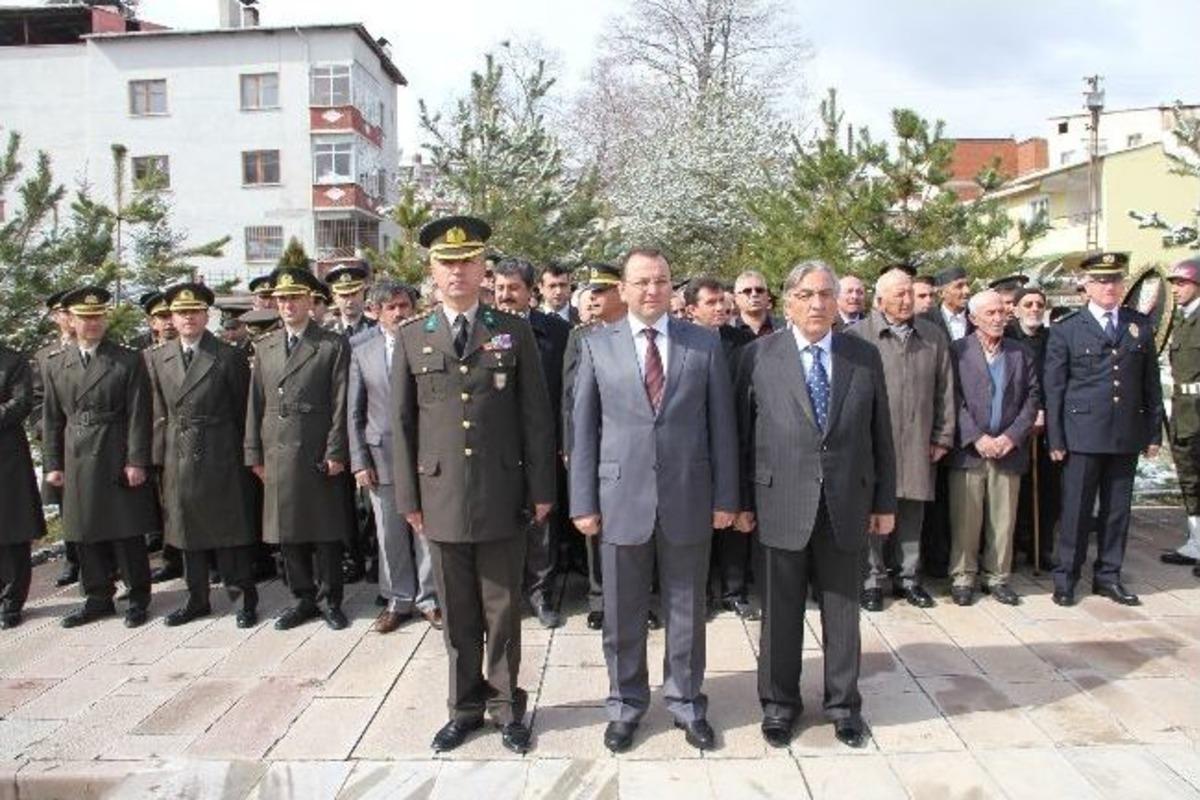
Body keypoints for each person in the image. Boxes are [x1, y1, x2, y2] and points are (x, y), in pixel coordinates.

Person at [392, 215, 555, 755]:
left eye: (467, 261)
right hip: (440, 497)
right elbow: (402, 425)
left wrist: (541, 489)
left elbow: (536, 416)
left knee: (503, 610)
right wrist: (408, 498)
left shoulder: (512, 330)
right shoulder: (413, 336)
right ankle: (463, 709)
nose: (457, 271)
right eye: (447, 262)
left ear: (484, 267)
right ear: (432, 270)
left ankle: (507, 708)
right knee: (457, 614)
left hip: (502, 492)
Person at [570, 248, 738, 754]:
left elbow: (722, 427)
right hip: (620, 497)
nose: (651, 290)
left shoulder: (703, 343)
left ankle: (686, 703)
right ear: (621, 289)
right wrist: (583, 501)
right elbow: (584, 429)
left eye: (661, 280)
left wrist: (726, 496)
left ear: (673, 288)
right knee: (622, 613)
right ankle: (625, 705)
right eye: (641, 281)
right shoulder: (596, 345)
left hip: (689, 496)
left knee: (687, 610)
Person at [734, 260, 896, 750]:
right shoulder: (758, 356)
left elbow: (881, 435)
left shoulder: (862, 356)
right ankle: (779, 705)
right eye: (806, 295)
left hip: (846, 501)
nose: (817, 304)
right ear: (788, 301)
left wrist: (884, 500)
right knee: (780, 612)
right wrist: (740, 501)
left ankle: (844, 705)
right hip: (779, 501)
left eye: (826, 294)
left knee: (843, 611)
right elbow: (741, 437)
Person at [1044, 252, 1163, 606]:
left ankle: (1108, 576)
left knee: (1117, 511)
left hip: (1125, 432)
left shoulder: (1138, 325)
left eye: (1114, 280)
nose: (1109, 287)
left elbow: (1150, 384)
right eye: (1101, 281)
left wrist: (1153, 432)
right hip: (1082, 434)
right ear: (1087, 286)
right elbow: (1055, 388)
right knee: (1076, 511)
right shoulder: (1067, 328)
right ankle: (1066, 577)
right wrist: (1056, 437)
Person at [42, 286, 159, 628]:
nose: (92, 323)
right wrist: (53, 463)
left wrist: (136, 460)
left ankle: (137, 596)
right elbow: (52, 418)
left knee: (126, 529)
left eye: (98, 317)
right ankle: (97, 596)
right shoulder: (56, 364)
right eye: (85, 317)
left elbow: (139, 414)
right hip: (76, 453)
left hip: (114, 449)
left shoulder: (126, 359)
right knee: (84, 529)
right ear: (71, 320)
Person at [245, 266, 354, 630]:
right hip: (277, 450)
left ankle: (330, 600)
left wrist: (336, 451)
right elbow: (255, 404)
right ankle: (301, 598)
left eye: (294, 298)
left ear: (311, 301)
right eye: (281, 299)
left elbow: (341, 402)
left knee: (325, 531)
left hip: (316, 449)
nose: (288, 305)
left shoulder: (331, 345)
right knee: (287, 531)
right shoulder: (265, 347)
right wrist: (254, 454)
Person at [147, 283, 260, 628]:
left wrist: (247, 456)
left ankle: (242, 598)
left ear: (206, 315)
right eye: (181, 313)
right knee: (186, 530)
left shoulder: (227, 356)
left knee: (228, 529)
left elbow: (244, 412)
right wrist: (157, 460)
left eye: (195, 312)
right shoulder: (158, 357)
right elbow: (157, 412)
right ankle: (197, 598)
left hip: (219, 450)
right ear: (172, 318)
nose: (188, 318)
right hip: (178, 453)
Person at [848, 268, 954, 612]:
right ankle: (872, 580)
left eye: (910, 293)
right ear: (879, 301)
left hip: (918, 439)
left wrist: (942, 436)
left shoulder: (933, 336)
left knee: (912, 510)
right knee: (872, 512)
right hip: (872, 443)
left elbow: (946, 390)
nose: (907, 300)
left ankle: (908, 577)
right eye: (899, 294)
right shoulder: (857, 336)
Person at [348, 279, 440, 633]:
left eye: (405, 306)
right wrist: (359, 460)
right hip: (381, 455)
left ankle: (429, 599)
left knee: (425, 529)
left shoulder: (428, 340)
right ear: (376, 311)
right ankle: (398, 599)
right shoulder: (361, 348)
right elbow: (354, 410)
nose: (400, 313)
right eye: (392, 307)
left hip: (424, 452)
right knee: (389, 533)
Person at [946, 290, 1039, 606]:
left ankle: (997, 577)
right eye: (991, 313)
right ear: (973, 319)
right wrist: (976, 437)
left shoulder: (1020, 352)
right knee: (966, 519)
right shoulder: (958, 351)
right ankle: (963, 576)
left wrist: (1011, 437)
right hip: (970, 450)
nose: (999, 318)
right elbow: (951, 398)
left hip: (1007, 450)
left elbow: (1032, 398)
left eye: (1002, 312)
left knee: (1003, 519)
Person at [493, 257, 571, 629]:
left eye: (513, 288)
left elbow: (569, 391)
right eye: (500, 288)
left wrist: (565, 440)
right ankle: (505, 594)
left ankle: (541, 592)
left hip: (543, 440)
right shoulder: (483, 328)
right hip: (497, 444)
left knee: (542, 519)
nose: (505, 295)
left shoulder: (556, 331)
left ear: (531, 291)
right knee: (501, 519)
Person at [684, 275, 758, 619]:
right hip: (693, 444)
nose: (720, 309)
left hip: (736, 439)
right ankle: (700, 593)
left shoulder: (743, 343)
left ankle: (734, 591)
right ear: (691, 309)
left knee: (735, 515)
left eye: (722, 302)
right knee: (696, 523)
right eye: (710, 303)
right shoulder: (679, 342)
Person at [562, 263, 628, 630]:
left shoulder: (639, 335)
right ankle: (600, 598)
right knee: (596, 526)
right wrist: (570, 445)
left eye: (602, 290)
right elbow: (568, 398)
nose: (594, 297)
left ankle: (637, 599)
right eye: (592, 291)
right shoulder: (581, 337)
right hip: (594, 445)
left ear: (622, 292)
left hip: (631, 447)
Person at [1006, 285, 1058, 570]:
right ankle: (1012, 547)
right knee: (1015, 490)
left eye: (1039, 304)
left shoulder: (1053, 338)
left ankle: (1041, 548)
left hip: (1047, 424)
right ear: (1015, 309)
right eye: (1028, 304)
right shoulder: (1007, 337)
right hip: (1013, 424)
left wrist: (1045, 411)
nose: (1034, 309)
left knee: (1047, 490)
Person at [30, 290, 80, 587]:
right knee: (67, 505)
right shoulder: (45, 357)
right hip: (61, 442)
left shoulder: (100, 350)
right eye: (63, 313)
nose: (69, 318)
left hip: (94, 439)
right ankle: (73, 559)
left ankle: (108, 562)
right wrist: (46, 431)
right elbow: (37, 403)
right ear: (55, 317)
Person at [0, 341, 46, 629]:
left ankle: (12, 600)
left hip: (6, 457)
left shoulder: (12, 361)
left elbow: (21, 403)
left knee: (12, 530)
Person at [1162, 258, 1200, 570]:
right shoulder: (1184, 320)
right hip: (1184, 410)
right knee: (1190, 478)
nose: (1175, 289)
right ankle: (1196, 542)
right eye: (1174, 283)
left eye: (1182, 283)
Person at [925, 265, 973, 342]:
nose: (967, 291)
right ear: (941, 293)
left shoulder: (977, 317)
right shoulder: (927, 320)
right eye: (959, 286)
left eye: (968, 285)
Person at [326, 265, 377, 338]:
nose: (350, 301)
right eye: (344, 295)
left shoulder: (377, 329)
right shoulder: (326, 332)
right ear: (334, 297)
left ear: (363, 293)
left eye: (354, 294)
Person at [732, 270, 782, 338]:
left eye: (759, 290)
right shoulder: (727, 332)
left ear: (767, 295)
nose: (754, 294)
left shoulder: (785, 328)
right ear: (736, 298)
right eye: (747, 291)